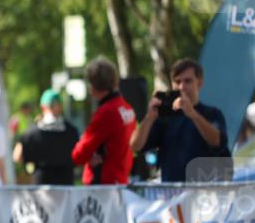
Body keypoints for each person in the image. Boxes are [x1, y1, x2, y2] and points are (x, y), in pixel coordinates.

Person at [129, 59, 230, 182]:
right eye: (177, 82)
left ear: (199, 83)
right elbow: (135, 146)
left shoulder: (212, 113)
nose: (182, 86)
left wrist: (193, 114)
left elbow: (217, 141)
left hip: (204, 192)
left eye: (187, 81)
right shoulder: (164, 117)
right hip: (173, 194)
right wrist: (149, 117)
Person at [71, 56, 136, 185]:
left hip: (104, 185)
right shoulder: (127, 107)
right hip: (121, 179)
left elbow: (78, 154)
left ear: (93, 85)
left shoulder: (106, 112)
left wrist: (88, 155)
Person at [14, 90, 80, 185]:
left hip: (42, 187)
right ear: (60, 106)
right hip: (65, 187)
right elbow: (80, 156)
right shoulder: (71, 131)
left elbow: (17, 156)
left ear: (42, 107)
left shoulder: (32, 133)